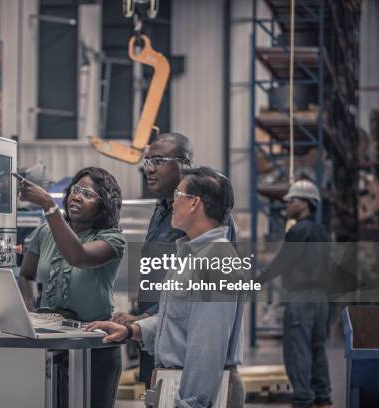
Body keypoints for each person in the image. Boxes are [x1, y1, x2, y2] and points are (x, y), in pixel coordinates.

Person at [87, 167, 245, 408]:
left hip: (195, 395)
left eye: (178, 195)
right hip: (176, 386)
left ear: (194, 203)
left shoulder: (217, 261)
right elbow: (179, 320)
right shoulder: (192, 254)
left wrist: (190, 403)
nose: (172, 203)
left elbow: (207, 346)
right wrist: (132, 331)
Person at [110, 132, 237, 388]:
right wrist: (138, 322)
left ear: (185, 164)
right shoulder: (162, 210)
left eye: (158, 160)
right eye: (147, 162)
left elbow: (207, 338)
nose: (150, 169)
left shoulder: (211, 230)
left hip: (186, 355)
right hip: (159, 341)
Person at [16, 167, 126, 408]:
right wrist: (28, 309)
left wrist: (49, 206)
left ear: (103, 204)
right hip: (50, 344)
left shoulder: (112, 239)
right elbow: (25, 274)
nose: (77, 196)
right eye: (76, 190)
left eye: (88, 194)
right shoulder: (45, 231)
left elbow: (79, 257)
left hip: (94, 346)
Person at [259, 180, 333, 408]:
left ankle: (303, 400)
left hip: (301, 299)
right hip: (321, 300)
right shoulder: (322, 231)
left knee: (297, 351)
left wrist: (256, 281)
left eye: (291, 200)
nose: (287, 204)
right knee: (317, 349)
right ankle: (323, 399)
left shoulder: (298, 231)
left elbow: (282, 262)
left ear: (303, 204)